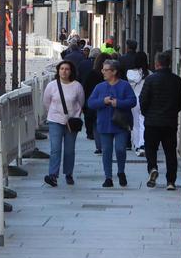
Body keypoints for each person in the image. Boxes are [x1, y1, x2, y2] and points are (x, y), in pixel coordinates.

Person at [86, 58, 137, 187]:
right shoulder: (99, 87)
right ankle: (108, 177)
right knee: (107, 151)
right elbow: (90, 103)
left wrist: (117, 103)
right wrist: (103, 101)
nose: (103, 72)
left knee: (120, 149)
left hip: (121, 123)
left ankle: (121, 172)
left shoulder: (124, 85)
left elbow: (132, 101)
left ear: (114, 72)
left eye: (106, 70)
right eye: (102, 69)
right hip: (104, 123)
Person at [141, 51, 181, 190]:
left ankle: (153, 168)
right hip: (170, 122)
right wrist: (172, 112)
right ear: (169, 64)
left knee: (151, 149)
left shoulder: (150, 80)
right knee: (170, 152)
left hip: (152, 122)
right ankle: (171, 181)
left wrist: (147, 114)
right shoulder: (177, 80)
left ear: (156, 64)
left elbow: (143, 100)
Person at [42, 59, 85, 187]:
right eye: (61, 69)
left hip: (72, 122)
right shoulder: (52, 85)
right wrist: (54, 113)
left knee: (69, 150)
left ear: (71, 71)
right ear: (58, 71)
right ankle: (53, 175)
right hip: (55, 120)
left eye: (66, 69)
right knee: (55, 149)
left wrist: (74, 115)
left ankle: (68, 173)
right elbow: (46, 101)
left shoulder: (77, 86)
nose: (64, 71)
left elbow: (81, 102)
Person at [80, 50, 105, 150]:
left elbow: (86, 87)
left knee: (94, 122)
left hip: (92, 102)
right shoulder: (109, 75)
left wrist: (83, 102)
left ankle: (95, 140)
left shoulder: (91, 73)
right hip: (105, 102)